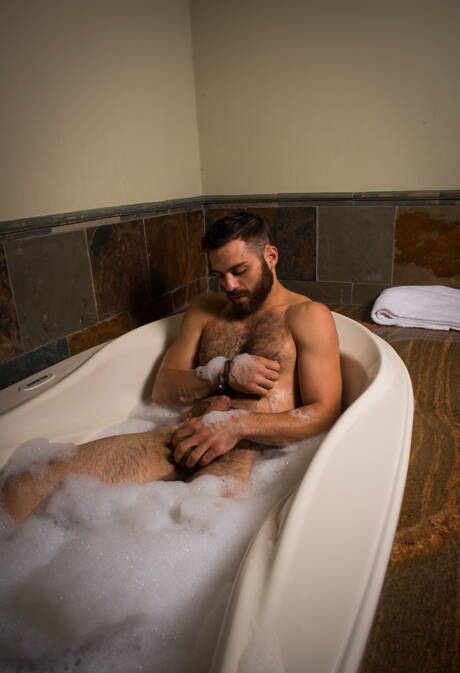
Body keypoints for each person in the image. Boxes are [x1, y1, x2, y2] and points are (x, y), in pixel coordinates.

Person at [2, 212, 342, 520]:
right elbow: (163, 391)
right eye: (219, 275)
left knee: (184, 530)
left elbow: (325, 413)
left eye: (240, 271)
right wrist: (221, 372)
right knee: (24, 483)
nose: (229, 286)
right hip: (176, 438)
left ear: (271, 256)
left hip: (245, 456)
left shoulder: (307, 316)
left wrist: (236, 425)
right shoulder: (206, 310)